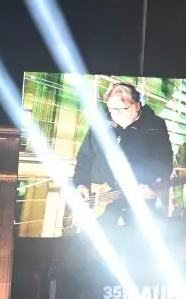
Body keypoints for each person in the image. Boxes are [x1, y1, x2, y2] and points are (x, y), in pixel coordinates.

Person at [73, 82, 174, 221]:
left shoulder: (155, 126)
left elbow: (164, 161)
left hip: (140, 198)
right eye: (111, 109)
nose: (114, 115)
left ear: (137, 106)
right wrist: (81, 183)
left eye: (121, 109)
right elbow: (85, 157)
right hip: (104, 195)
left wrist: (155, 183)